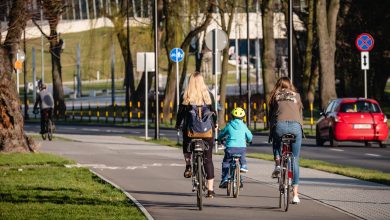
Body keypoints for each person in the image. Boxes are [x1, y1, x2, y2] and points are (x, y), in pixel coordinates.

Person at [175, 71, 218, 198]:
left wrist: (177, 125)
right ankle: (210, 190)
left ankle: (188, 165)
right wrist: (215, 125)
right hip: (207, 132)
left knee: (186, 143)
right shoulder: (208, 95)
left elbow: (180, 114)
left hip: (191, 132)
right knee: (208, 160)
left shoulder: (186, 95)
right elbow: (213, 112)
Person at [268, 76, 303, 204]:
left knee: (276, 141)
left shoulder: (274, 96)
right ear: (290, 85)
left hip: (280, 126)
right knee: (295, 159)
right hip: (295, 127)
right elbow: (299, 113)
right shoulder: (297, 96)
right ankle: (295, 195)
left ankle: (278, 163)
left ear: (278, 85)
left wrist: (271, 129)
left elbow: (271, 115)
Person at [217, 107, 253, 188]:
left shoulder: (229, 125)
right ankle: (243, 166)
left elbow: (222, 134)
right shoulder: (244, 126)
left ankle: (225, 179)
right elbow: (249, 136)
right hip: (241, 148)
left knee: (226, 162)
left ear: (232, 116)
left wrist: (219, 139)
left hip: (230, 147)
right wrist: (249, 140)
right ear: (243, 117)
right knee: (242, 158)